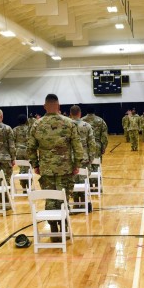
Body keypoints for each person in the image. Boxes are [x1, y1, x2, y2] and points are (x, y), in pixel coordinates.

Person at [27, 94, 83, 241]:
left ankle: (53, 229)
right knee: (64, 197)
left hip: (46, 168)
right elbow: (78, 147)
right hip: (65, 168)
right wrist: (77, 164)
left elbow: (30, 148)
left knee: (51, 198)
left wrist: (36, 165)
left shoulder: (37, 124)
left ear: (44, 106)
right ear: (58, 106)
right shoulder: (69, 123)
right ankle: (64, 226)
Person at [70, 105, 97, 207]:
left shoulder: (67, 125)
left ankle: (76, 203)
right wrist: (91, 157)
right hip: (84, 157)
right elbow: (92, 143)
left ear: (70, 114)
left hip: (71, 159)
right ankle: (85, 203)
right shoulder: (86, 126)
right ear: (80, 113)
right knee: (84, 180)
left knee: (73, 181)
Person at [82, 106, 109, 190]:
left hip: (85, 146)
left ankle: (89, 186)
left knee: (87, 166)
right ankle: (97, 187)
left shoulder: (82, 120)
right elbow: (104, 136)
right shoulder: (100, 120)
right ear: (94, 111)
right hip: (97, 145)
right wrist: (103, 146)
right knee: (96, 166)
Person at [14, 114, 31, 192]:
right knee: (28, 169)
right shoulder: (30, 129)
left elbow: (12, 141)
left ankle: (24, 187)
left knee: (22, 169)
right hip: (28, 151)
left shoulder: (15, 130)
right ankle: (29, 187)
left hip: (19, 151)